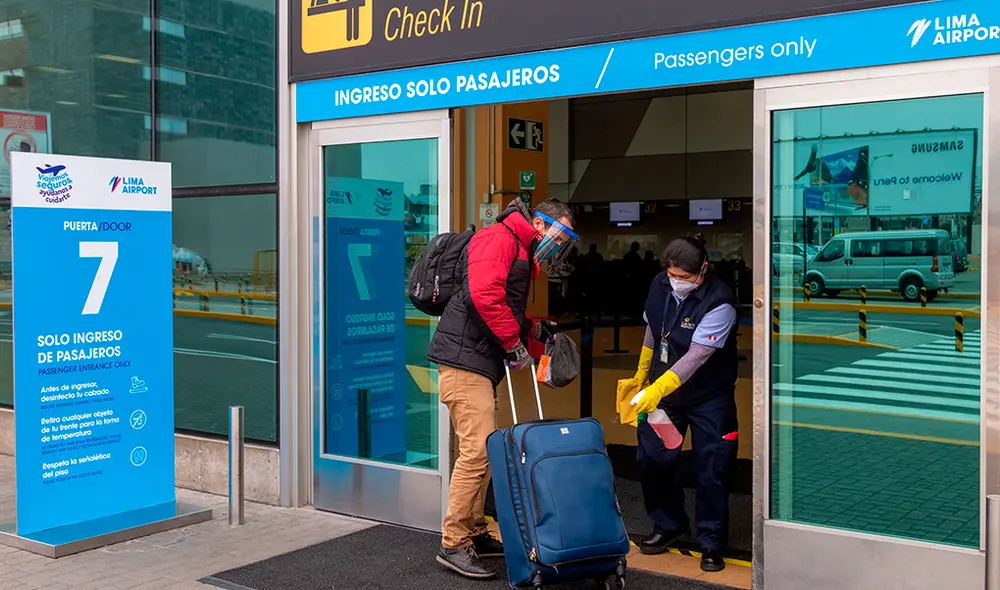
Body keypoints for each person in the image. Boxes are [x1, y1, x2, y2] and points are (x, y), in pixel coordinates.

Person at [427, 197, 578, 579]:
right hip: (464, 361)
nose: (558, 245)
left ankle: (475, 531)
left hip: (476, 361)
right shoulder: (501, 238)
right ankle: (453, 542)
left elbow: (504, 308)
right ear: (541, 224)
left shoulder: (518, 246)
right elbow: (484, 296)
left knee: (485, 449)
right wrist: (513, 343)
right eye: (559, 235)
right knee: (478, 451)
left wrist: (534, 331)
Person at [628, 236, 740, 572]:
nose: (678, 282)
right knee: (652, 456)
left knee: (712, 468)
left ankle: (711, 542)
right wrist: (642, 372)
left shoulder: (721, 302)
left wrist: (656, 389)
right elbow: (653, 329)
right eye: (673, 275)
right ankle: (668, 525)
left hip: (710, 397)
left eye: (685, 277)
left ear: (703, 269)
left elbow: (697, 356)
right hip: (667, 400)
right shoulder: (660, 285)